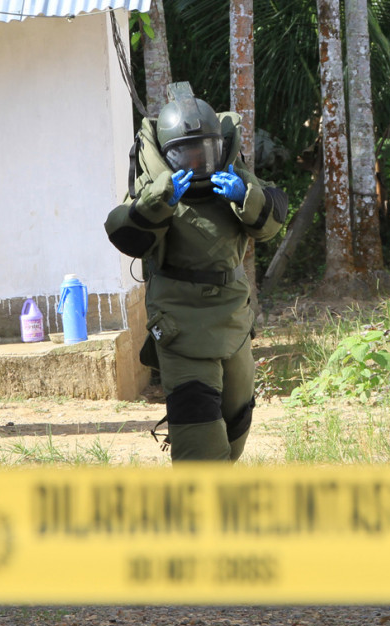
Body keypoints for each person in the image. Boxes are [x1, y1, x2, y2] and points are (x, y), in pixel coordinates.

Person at [104, 82, 288, 463]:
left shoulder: (234, 177)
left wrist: (245, 197)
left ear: (219, 146)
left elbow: (272, 223)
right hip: (180, 324)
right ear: (169, 156)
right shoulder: (154, 187)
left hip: (231, 320)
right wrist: (157, 202)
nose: (197, 163)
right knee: (199, 439)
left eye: (205, 152)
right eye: (185, 155)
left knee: (237, 420)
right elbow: (121, 231)